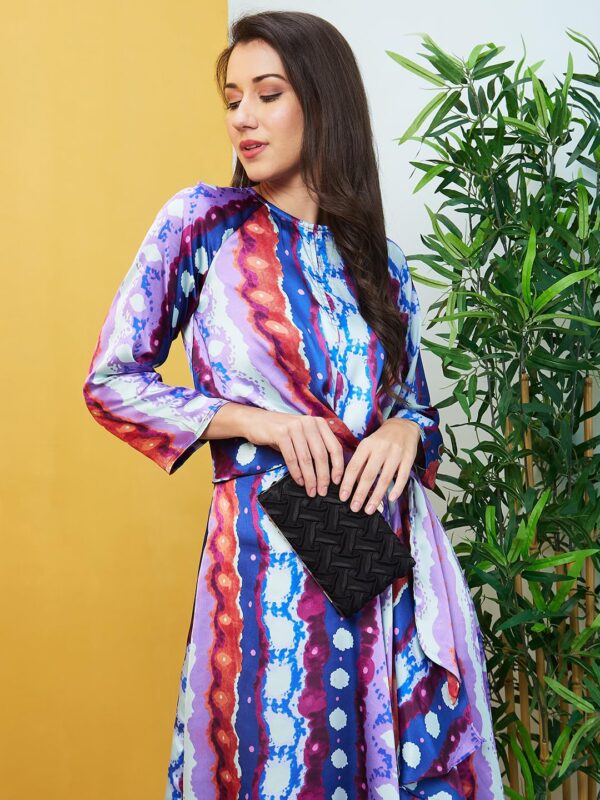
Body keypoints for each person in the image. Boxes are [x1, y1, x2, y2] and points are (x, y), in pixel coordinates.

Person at [82, 10, 504, 800]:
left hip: (382, 571)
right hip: (264, 574)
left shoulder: (380, 262)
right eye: (232, 98)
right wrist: (259, 422)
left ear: (322, 101)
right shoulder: (204, 227)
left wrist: (406, 432)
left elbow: (416, 409)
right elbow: (112, 381)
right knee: (279, 764)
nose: (243, 116)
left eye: (267, 94)